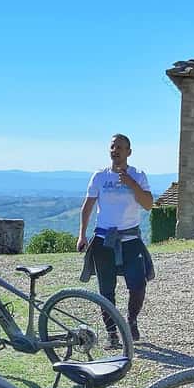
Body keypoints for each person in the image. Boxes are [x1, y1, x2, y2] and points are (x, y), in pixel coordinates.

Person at [77, 134, 155, 344]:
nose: (116, 150)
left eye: (120, 147)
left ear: (129, 152)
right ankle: (111, 332)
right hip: (104, 239)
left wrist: (131, 183)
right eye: (113, 147)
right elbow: (87, 207)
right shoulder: (99, 176)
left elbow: (148, 204)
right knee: (106, 289)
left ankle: (131, 321)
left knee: (138, 285)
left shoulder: (138, 175)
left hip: (130, 239)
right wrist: (82, 235)